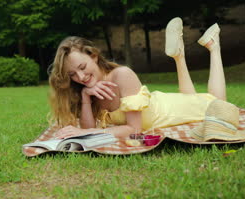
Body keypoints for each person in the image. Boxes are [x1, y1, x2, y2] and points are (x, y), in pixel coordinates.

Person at [48, 17, 226, 140]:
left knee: (219, 104)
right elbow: (87, 131)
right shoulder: (89, 89)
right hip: (161, 101)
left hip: (170, 110)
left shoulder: (122, 75)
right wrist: (86, 97)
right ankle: (179, 56)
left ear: (93, 56)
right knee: (191, 97)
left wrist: (84, 132)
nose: (80, 77)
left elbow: (134, 130)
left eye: (82, 67)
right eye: (72, 75)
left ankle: (213, 45)